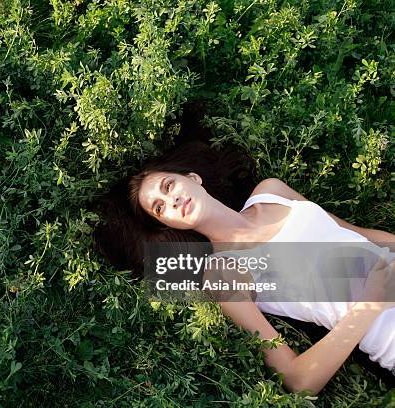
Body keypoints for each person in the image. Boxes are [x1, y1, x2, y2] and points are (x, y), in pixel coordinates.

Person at [92, 139, 395, 396]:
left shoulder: (272, 191)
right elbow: (297, 378)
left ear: (193, 178)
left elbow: (359, 234)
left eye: (168, 186)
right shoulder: (222, 272)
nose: (171, 201)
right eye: (160, 209)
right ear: (167, 224)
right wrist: (369, 303)